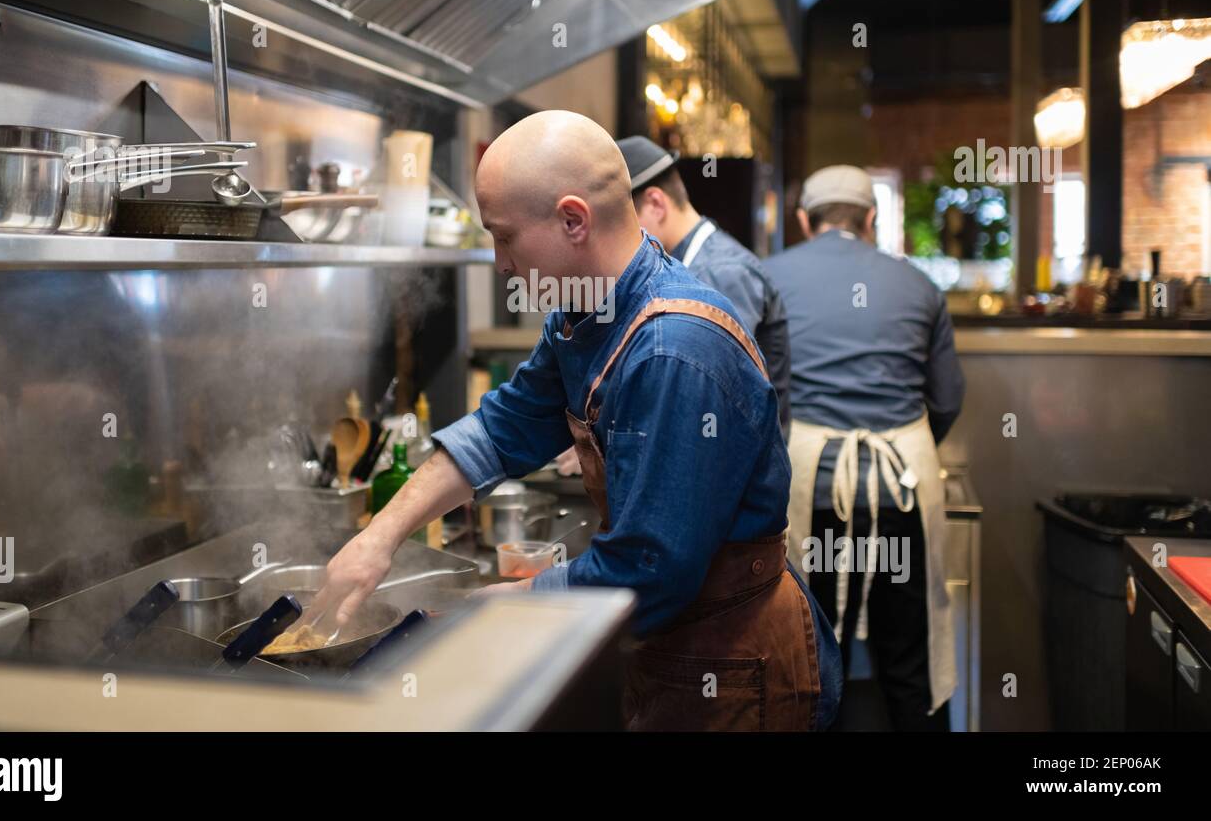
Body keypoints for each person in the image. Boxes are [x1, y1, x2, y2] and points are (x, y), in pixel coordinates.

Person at [308, 110, 840, 731]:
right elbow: (502, 428)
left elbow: (650, 571)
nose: (501, 264)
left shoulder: (674, 349)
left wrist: (502, 605)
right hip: (671, 652)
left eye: (504, 236)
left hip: (737, 667)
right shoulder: (581, 314)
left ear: (572, 220)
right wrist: (379, 537)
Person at [764, 164, 964, 731]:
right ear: (871, 218)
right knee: (907, 660)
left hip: (808, 495)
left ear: (805, 221)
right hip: (901, 494)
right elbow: (947, 399)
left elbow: (753, 391)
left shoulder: (767, 276)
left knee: (806, 660)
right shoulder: (919, 283)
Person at [618, 136, 791, 436]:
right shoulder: (689, 263)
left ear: (656, 204)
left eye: (620, 222)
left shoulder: (720, 272)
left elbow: (707, 392)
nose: (617, 238)